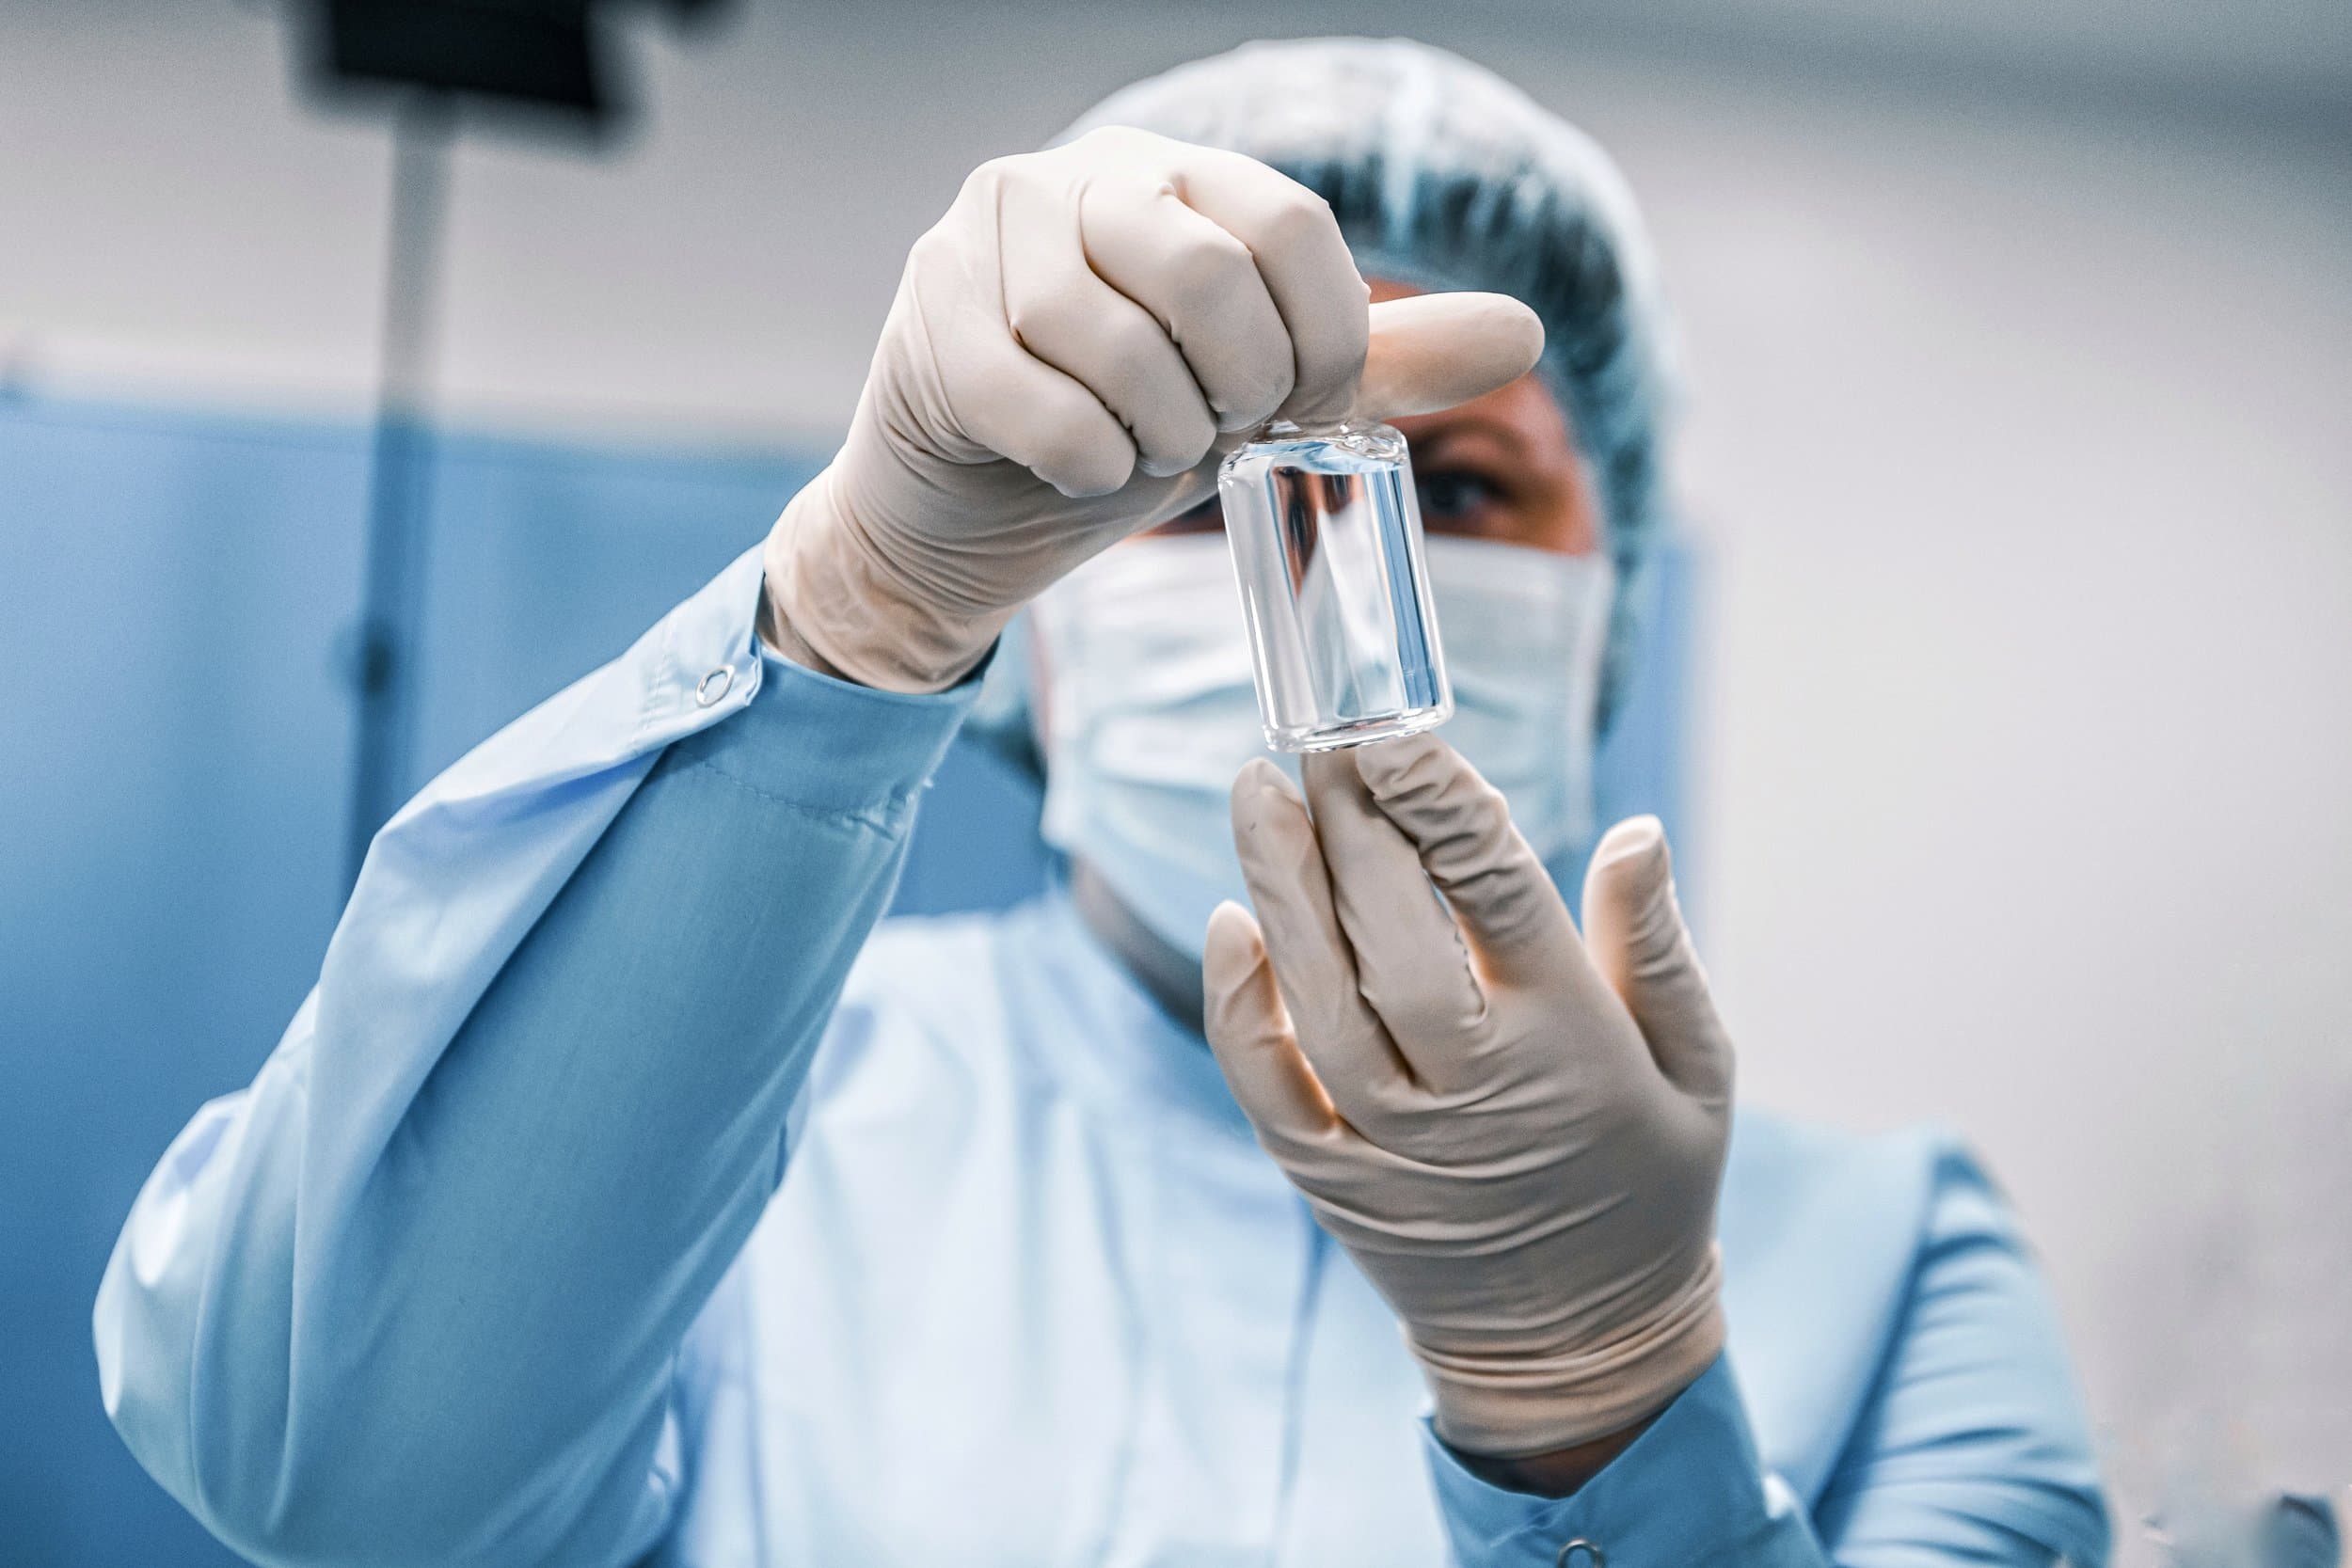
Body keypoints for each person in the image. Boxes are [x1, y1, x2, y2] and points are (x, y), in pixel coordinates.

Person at [94, 38, 2111, 1568]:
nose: (1329, 574)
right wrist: (856, 609)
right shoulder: (753, 1139)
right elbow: (325, 1475)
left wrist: (1609, 1396)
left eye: (1467, 487)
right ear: (1034, 634)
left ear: (1615, 612)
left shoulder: (1890, 1261)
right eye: (1190, 495)